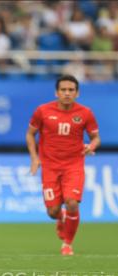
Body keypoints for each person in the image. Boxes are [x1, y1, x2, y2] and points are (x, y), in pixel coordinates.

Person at [26, 74, 100, 256]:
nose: (67, 93)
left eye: (71, 90)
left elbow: (95, 138)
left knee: (72, 203)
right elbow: (30, 134)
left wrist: (91, 146)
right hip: (50, 166)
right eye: (63, 90)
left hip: (73, 165)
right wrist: (35, 158)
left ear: (77, 93)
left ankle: (67, 244)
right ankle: (61, 217)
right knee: (52, 211)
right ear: (56, 92)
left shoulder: (85, 113)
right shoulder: (42, 111)